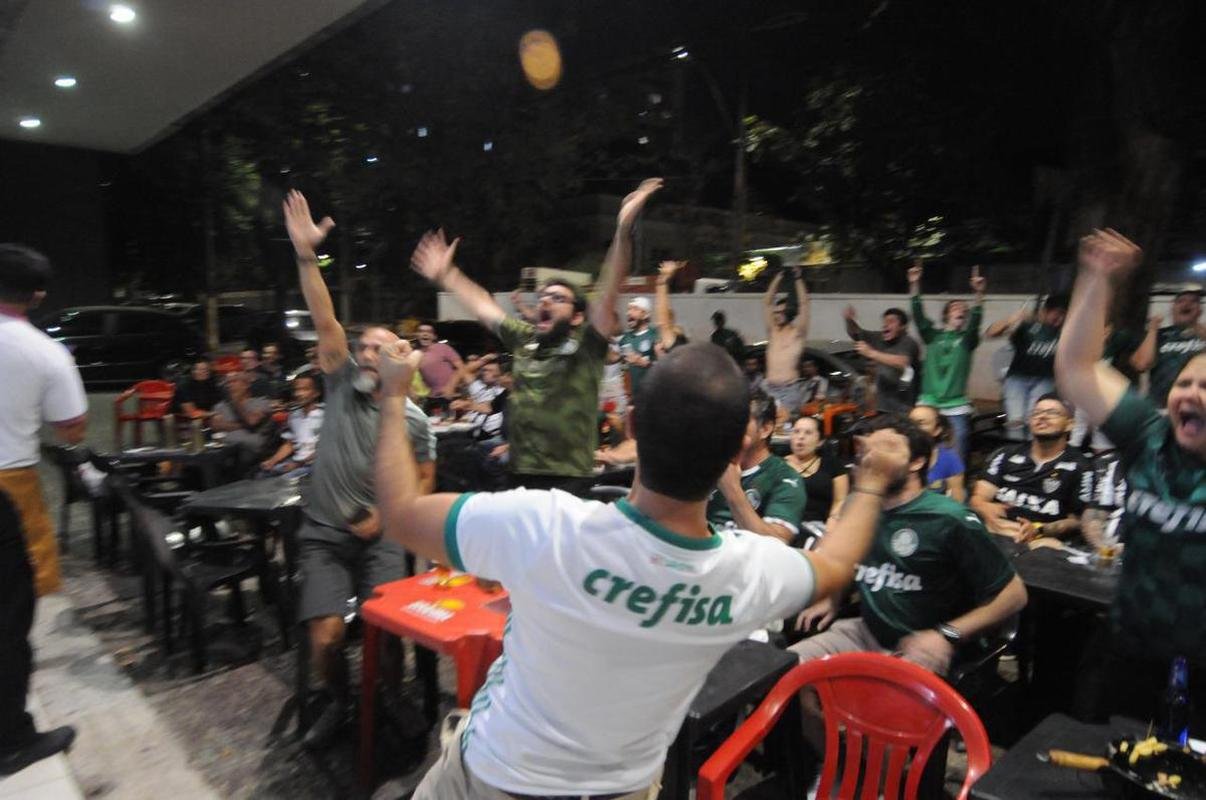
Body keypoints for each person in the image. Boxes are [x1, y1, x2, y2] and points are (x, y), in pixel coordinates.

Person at [372, 339, 911, 799]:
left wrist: (395, 395)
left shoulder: (545, 526)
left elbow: (398, 515)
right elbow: (837, 566)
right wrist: (870, 481)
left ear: (631, 424)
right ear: (733, 455)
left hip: (496, 776)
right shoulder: (751, 571)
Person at [281, 190, 438, 749]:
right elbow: (324, 318)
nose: (368, 354)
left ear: (401, 358)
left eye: (382, 348)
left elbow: (423, 484)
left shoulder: (414, 419)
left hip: (381, 538)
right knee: (325, 635)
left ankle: (387, 700)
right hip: (323, 531)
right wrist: (306, 257)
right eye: (363, 346)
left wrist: (388, 521)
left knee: (386, 633)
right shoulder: (342, 381)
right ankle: (339, 702)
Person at [410, 178, 663, 492]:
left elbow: (610, 285)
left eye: (558, 298)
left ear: (578, 315)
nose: (545, 300)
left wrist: (623, 230)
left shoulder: (587, 343)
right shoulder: (524, 338)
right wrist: (447, 275)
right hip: (520, 475)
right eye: (543, 296)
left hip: (569, 478)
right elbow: (483, 306)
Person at [1055, 228, 1206, 726]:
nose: (1191, 393)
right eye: (1184, 382)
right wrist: (1097, 278)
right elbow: (1077, 369)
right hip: (1130, 651)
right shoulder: (1150, 434)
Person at [791, 413, 1028, 676]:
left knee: (875, 702)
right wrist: (832, 597)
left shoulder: (949, 518)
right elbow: (844, 562)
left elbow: (1014, 595)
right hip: (863, 633)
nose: (872, 458)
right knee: (785, 671)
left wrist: (947, 634)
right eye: (868, 449)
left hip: (923, 647)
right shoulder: (857, 506)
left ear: (917, 461)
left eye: (887, 448)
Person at [0, 244, 84, 775]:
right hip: (8, 485)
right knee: (8, 618)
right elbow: (72, 426)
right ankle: (10, 740)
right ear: (37, 295)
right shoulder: (44, 351)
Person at [969, 393, 1093, 542]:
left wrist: (1040, 529)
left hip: (1040, 539)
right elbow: (978, 498)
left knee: (1050, 545)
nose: (1042, 417)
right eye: (1037, 413)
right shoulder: (1006, 454)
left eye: (1052, 413)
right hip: (994, 529)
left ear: (1070, 424)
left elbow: (1076, 521)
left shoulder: (1081, 466)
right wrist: (984, 507)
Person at [705, 389, 807, 544]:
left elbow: (776, 545)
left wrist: (733, 490)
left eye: (740, 420)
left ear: (765, 429)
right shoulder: (710, 463)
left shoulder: (784, 478)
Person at [909, 260, 986, 462]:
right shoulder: (932, 335)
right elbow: (918, 315)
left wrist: (978, 294)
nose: (960, 310)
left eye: (963, 309)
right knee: (920, 445)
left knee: (958, 442)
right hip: (928, 402)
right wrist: (915, 284)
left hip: (956, 404)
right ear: (946, 315)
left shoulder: (968, 340)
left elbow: (977, 320)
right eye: (954, 307)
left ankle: (954, 486)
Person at [985, 294, 1069, 431]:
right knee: (1015, 421)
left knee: (1035, 419)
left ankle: (1031, 449)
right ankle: (1015, 448)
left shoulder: (1065, 332)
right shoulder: (1027, 326)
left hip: (1045, 380)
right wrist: (1012, 319)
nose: (1060, 319)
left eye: (1064, 315)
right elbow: (990, 333)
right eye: (1057, 313)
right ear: (1046, 311)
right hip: (1017, 379)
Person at [1130, 289, 1205, 407]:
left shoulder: (1204, 334)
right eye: (1181, 301)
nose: (1187, 304)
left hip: (1198, 405)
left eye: (1193, 301)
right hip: (1161, 406)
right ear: (1172, 309)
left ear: (1200, 311)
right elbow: (1141, 364)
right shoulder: (1158, 334)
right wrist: (1153, 329)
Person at [843, 305, 921, 414]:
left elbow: (902, 362)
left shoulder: (908, 342)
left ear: (902, 327)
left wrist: (871, 353)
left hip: (903, 406)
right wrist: (849, 320)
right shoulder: (878, 338)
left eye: (891, 321)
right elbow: (855, 333)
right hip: (882, 404)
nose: (885, 324)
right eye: (884, 321)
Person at [763, 267, 811, 422]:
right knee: (767, 428)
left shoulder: (797, 333)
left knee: (784, 430)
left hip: (789, 390)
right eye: (776, 313)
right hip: (769, 389)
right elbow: (767, 302)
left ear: (789, 313)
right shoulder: (773, 332)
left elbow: (804, 305)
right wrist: (779, 277)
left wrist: (798, 279)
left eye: (781, 312)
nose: (777, 315)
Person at [785, 415, 848, 529]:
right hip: (784, 525)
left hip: (820, 527)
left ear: (820, 441)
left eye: (808, 433)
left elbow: (840, 500)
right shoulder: (778, 465)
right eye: (796, 432)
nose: (800, 437)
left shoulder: (833, 465)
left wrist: (833, 520)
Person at [211, 371, 276, 474]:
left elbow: (251, 421)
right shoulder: (220, 406)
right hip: (224, 451)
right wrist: (242, 426)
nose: (229, 385)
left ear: (246, 385)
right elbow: (215, 426)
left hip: (250, 452)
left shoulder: (262, 402)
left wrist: (236, 402)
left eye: (234, 381)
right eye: (228, 383)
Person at [260, 373, 323, 476]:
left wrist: (298, 464)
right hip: (296, 462)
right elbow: (289, 444)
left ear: (316, 393)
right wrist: (272, 461)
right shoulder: (293, 416)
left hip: (316, 464)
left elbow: (325, 448)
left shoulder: (325, 414)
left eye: (304, 390)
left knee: (284, 480)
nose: (299, 394)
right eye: (297, 390)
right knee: (262, 475)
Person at [908, 404, 966, 503]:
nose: (913, 428)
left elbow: (957, 501)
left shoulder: (949, 459)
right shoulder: (895, 454)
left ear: (937, 430)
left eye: (921, 423)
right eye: (910, 423)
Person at [619, 296, 659, 397]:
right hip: (633, 396)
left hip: (653, 394)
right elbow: (624, 365)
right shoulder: (626, 338)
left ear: (645, 314)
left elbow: (667, 365)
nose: (629, 313)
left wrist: (647, 364)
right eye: (628, 309)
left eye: (635, 309)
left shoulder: (655, 334)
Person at [415, 321, 465, 398]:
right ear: (417, 335)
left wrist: (451, 387)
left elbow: (461, 368)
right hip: (433, 397)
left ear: (434, 336)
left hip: (453, 393)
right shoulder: (415, 354)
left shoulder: (442, 348)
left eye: (429, 332)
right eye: (421, 331)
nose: (425, 334)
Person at [653, 261, 689, 356]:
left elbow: (663, 322)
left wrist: (662, 280)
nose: (658, 322)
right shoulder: (679, 338)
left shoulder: (670, 338)